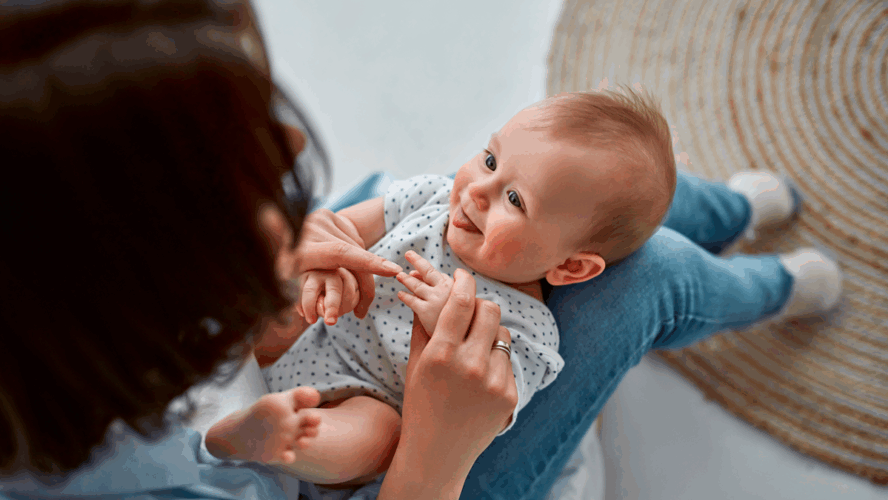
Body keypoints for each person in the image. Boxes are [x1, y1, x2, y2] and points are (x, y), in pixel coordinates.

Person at [0, 1, 843, 499]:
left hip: (296, 340)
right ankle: (770, 284)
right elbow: (495, 381)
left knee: (605, 182)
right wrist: (437, 445)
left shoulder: (445, 205)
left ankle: (718, 204)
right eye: (239, 164)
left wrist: (318, 239)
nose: (295, 144)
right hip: (389, 425)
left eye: (497, 185)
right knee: (649, 267)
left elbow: (372, 212)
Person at [203, 88, 679, 488]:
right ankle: (736, 216)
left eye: (514, 198)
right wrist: (324, 265)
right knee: (274, 308)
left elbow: (481, 407)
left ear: (571, 267)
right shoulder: (431, 197)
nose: (474, 189)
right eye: (490, 160)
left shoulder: (530, 329)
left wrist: (442, 323)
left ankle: (283, 440)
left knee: (379, 435)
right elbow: (338, 231)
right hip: (319, 328)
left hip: (366, 399)